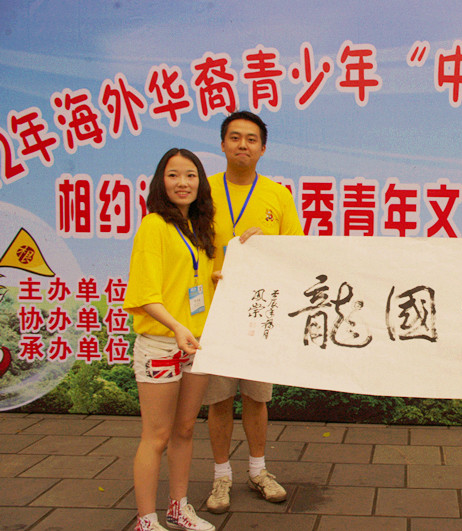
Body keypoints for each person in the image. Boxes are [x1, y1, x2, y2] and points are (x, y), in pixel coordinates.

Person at [203, 111, 304, 514]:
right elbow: (187, 246)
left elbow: (296, 251)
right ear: (222, 144)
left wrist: (270, 246)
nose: (242, 145)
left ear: (263, 148)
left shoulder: (278, 195)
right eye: (234, 137)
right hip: (215, 311)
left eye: (250, 139)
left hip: (261, 313)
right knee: (219, 399)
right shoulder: (204, 191)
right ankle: (221, 476)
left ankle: (258, 471)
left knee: (257, 397)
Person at [124, 148, 217, 531]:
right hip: (162, 344)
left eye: (191, 175)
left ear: (200, 182)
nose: (183, 183)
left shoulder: (198, 228)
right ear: (161, 181)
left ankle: (179, 508)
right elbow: (145, 293)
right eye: (174, 175)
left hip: (195, 344)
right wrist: (177, 327)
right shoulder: (154, 226)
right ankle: (146, 520)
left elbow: (192, 282)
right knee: (157, 436)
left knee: (185, 429)